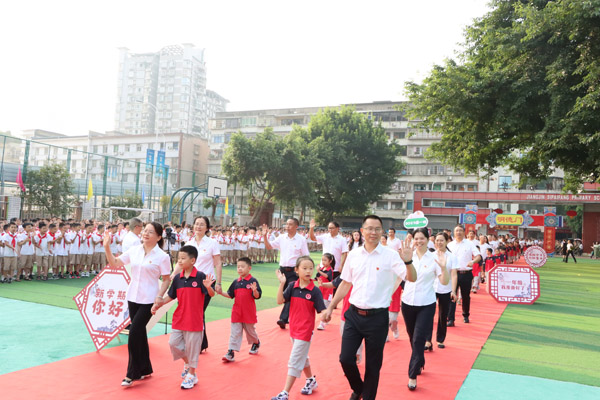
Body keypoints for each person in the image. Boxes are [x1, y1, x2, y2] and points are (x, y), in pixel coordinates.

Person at [321, 215, 417, 400]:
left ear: (382, 232)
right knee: (346, 359)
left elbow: (411, 278)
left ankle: (367, 396)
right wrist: (331, 307)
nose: (373, 232)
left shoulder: (390, 255)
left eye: (377, 229)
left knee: (373, 366)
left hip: (377, 318)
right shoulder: (354, 255)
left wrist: (408, 261)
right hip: (354, 315)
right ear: (362, 231)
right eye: (369, 228)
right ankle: (359, 388)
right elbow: (345, 283)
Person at [103, 221, 171, 387]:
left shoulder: (162, 256)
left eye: (150, 232)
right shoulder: (135, 250)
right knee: (139, 334)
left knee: (134, 332)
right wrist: (107, 248)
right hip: (133, 297)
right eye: (145, 231)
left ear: (158, 237)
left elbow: (166, 279)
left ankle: (131, 373)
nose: (145, 234)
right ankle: (145, 368)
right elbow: (115, 263)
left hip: (149, 300)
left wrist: (160, 296)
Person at [152, 245, 215, 390]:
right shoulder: (178, 279)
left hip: (194, 320)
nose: (179, 261)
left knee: (193, 349)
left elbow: (211, 295)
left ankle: (192, 375)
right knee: (173, 343)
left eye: (182, 258)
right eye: (178, 258)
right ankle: (187, 363)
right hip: (179, 318)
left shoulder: (200, 276)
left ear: (192, 260)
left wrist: (209, 287)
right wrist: (158, 304)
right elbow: (171, 296)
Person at [270, 256, 326, 400]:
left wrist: (327, 314)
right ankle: (311, 381)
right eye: (304, 268)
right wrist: (282, 283)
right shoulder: (292, 286)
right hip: (293, 329)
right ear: (296, 270)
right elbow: (279, 300)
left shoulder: (315, 291)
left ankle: (285, 393)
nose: (308, 271)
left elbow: (322, 310)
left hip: (305, 331)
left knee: (295, 360)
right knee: (302, 357)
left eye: (310, 268)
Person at [401, 228, 449, 390]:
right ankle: (419, 360)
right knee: (411, 336)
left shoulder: (435, 258)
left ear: (429, 240)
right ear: (412, 240)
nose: (419, 241)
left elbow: (443, 282)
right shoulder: (408, 256)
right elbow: (399, 278)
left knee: (418, 339)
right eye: (416, 238)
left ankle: (412, 375)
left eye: (422, 238)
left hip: (426, 304)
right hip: (407, 302)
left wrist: (443, 268)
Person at [177, 216, 222, 352]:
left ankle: (197, 343)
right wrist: (173, 276)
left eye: (202, 224)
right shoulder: (188, 243)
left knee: (198, 311)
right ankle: (200, 343)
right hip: (189, 282)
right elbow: (181, 262)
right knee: (194, 312)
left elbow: (218, 263)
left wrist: (218, 282)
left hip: (207, 282)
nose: (198, 227)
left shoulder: (212, 243)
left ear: (207, 228)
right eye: (196, 224)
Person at [263, 218, 309, 329]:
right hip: (283, 271)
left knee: (290, 294)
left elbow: (306, 256)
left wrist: (304, 271)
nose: (287, 226)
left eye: (290, 224)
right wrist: (265, 236)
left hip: (294, 272)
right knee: (285, 295)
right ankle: (290, 316)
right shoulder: (282, 238)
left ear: (296, 226)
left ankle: (283, 318)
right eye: (287, 224)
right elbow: (269, 246)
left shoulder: (301, 239)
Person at [220, 257, 262, 362]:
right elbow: (230, 295)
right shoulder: (236, 282)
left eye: (242, 267)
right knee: (235, 332)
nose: (240, 269)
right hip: (237, 312)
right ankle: (231, 352)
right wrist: (220, 292)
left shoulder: (253, 281)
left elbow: (257, 296)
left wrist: (255, 291)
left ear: (249, 268)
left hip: (249, 312)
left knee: (250, 331)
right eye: (238, 267)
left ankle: (256, 343)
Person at [425, 232, 457, 350]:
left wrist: (453, 291)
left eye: (441, 240)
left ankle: (440, 339)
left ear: (447, 241)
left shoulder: (452, 257)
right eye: (437, 240)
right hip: (431, 288)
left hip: (446, 289)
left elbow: (453, 275)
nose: (439, 243)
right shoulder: (430, 256)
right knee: (428, 315)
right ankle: (428, 340)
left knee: (443, 316)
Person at [447, 225, 481, 326]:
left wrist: (473, 261)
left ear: (464, 232)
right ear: (454, 232)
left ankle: (465, 315)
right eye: (456, 230)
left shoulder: (469, 244)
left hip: (466, 274)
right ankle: (451, 319)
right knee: (452, 295)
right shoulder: (450, 245)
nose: (458, 232)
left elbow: (479, 256)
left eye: (460, 231)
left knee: (466, 296)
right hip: (453, 274)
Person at [316, 253, 335, 330]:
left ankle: (322, 323)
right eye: (322, 260)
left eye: (325, 260)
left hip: (328, 292)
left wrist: (319, 271)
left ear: (330, 261)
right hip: (321, 291)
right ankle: (326, 319)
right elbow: (317, 277)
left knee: (325, 307)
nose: (323, 262)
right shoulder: (322, 268)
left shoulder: (330, 270)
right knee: (324, 307)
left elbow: (327, 276)